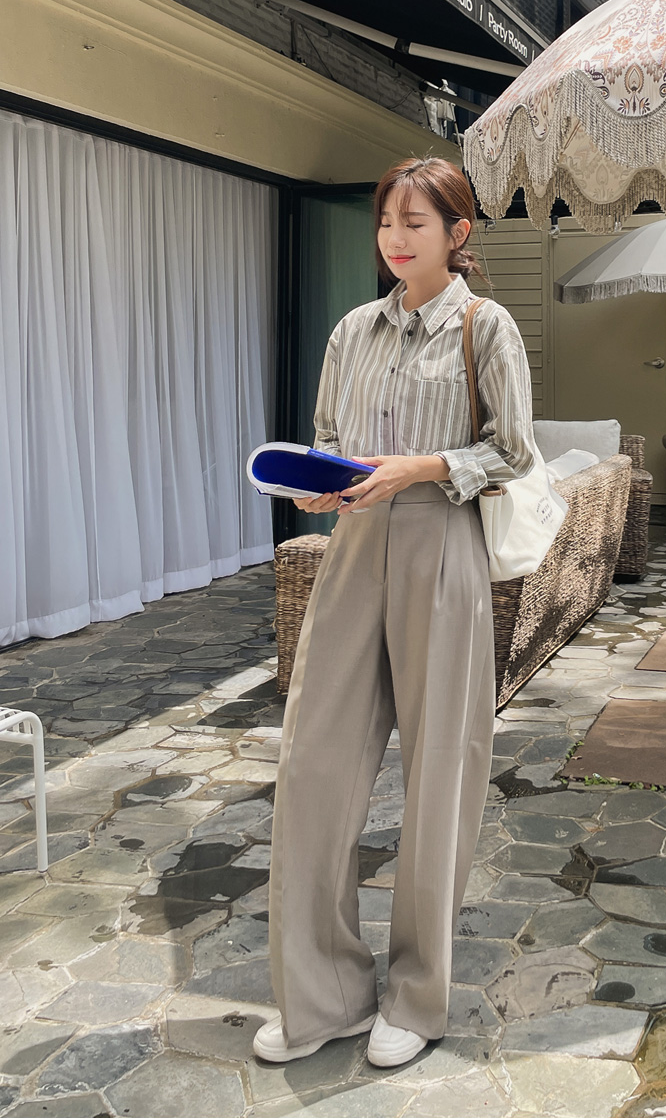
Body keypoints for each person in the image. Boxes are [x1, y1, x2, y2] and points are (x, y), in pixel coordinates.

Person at [253, 156, 535, 1069]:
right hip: (355, 544)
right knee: (312, 763)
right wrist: (320, 483)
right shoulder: (351, 330)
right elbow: (332, 439)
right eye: (386, 221)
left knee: (439, 772)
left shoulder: (487, 328)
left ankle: (416, 996)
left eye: (415, 222)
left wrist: (423, 466)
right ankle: (322, 995)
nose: (395, 238)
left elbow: (513, 450)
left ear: (458, 233)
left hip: (441, 545)